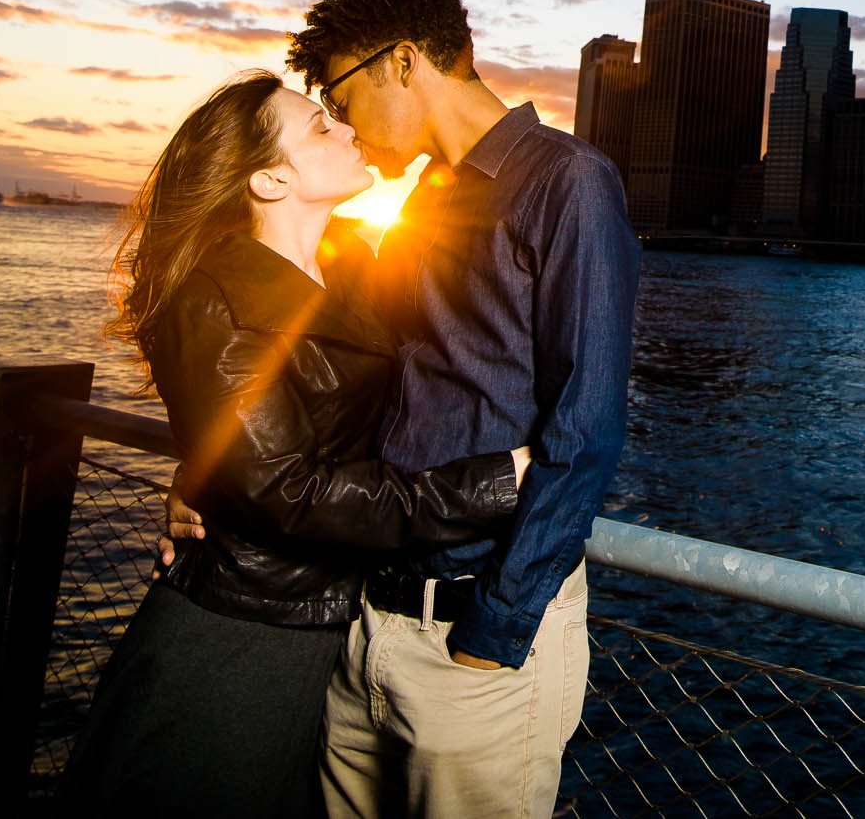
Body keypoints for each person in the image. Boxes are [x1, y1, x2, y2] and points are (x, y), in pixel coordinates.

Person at [177, 0, 640, 819]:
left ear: (400, 64)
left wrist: (493, 636)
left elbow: (587, 430)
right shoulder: (423, 202)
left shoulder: (567, 181)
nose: (342, 122)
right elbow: (353, 374)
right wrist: (210, 468)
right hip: (364, 626)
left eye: (341, 98)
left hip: (475, 644)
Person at [65, 72, 529, 819]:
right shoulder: (214, 300)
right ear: (270, 177)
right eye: (321, 127)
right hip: (238, 639)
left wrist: (211, 468)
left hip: (332, 636)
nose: (346, 128)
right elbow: (291, 489)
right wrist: (493, 483)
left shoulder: (356, 264)